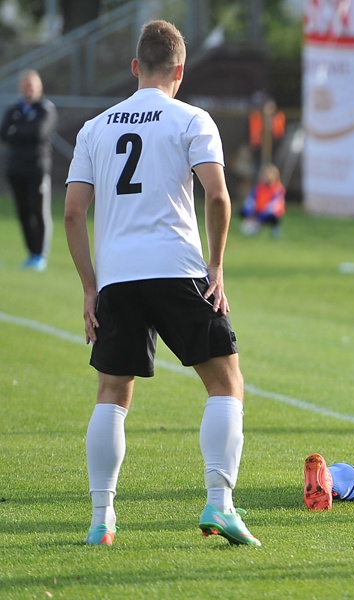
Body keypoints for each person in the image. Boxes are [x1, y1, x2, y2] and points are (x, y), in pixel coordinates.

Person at [64, 20, 260, 547]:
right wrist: (216, 266)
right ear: (179, 70)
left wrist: (90, 286)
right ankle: (220, 505)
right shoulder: (192, 118)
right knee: (225, 383)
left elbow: (72, 214)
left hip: (119, 279)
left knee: (111, 392)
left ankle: (101, 519)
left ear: (134, 68)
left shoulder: (95, 127)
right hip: (178, 268)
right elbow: (217, 197)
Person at [1, 69, 57, 271]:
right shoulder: (14, 110)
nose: (28, 89)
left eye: (32, 85)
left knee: (38, 209)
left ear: (39, 87)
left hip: (37, 168)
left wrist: (19, 130)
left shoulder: (45, 108)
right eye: (25, 85)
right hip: (16, 168)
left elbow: (39, 132)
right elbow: (4, 133)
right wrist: (22, 130)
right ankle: (31, 253)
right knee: (23, 211)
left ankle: (41, 254)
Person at [240, 162, 286, 237]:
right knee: (242, 211)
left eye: (268, 175)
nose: (266, 177)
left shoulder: (278, 189)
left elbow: (274, 205)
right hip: (258, 211)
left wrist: (261, 216)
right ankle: (253, 224)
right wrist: (250, 212)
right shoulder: (259, 187)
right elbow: (251, 200)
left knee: (274, 218)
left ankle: (274, 229)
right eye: (264, 175)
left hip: (271, 213)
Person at [248, 96, 285, 180]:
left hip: (273, 154)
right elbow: (251, 136)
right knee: (258, 175)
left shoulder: (278, 119)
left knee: (272, 175)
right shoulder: (256, 118)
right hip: (258, 153)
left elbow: (280, 137)